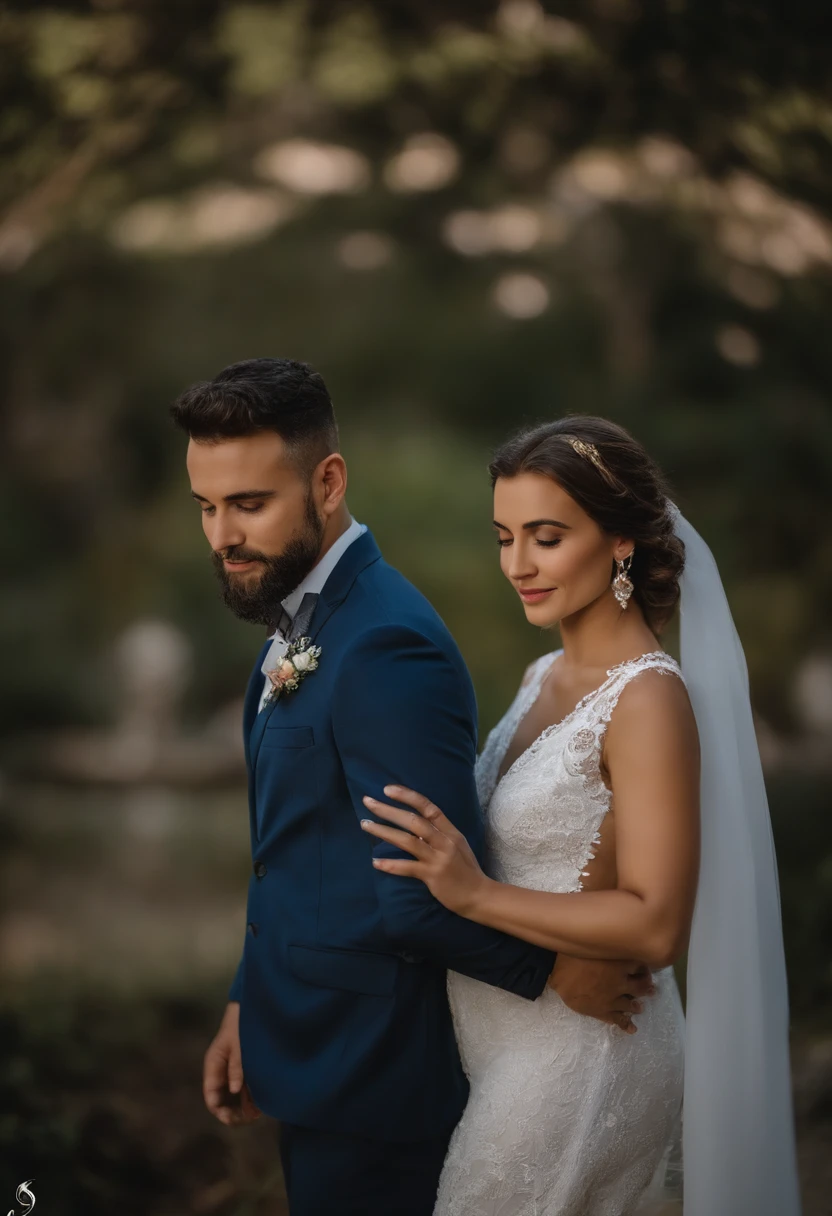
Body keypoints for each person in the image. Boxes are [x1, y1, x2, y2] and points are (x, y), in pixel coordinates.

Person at [170, 360, 654, 1216]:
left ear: (328, 481)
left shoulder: (388, 643)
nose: (222, 534)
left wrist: (551, 974)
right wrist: (250, 1001)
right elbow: (291, 854)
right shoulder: (297, 621)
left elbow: (418, 895)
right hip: (304, 1049)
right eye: (206, 507)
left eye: (249, 504)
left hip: (372, 1078)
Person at [360, 418, 802, 1216]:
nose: (517, 565)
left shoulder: (649, 700)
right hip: (510, 1037)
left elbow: (658, 925)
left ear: (621, 541)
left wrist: (474, 895)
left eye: (547, 537)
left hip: (585, 1052)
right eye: (504, 537)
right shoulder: (541, 675)